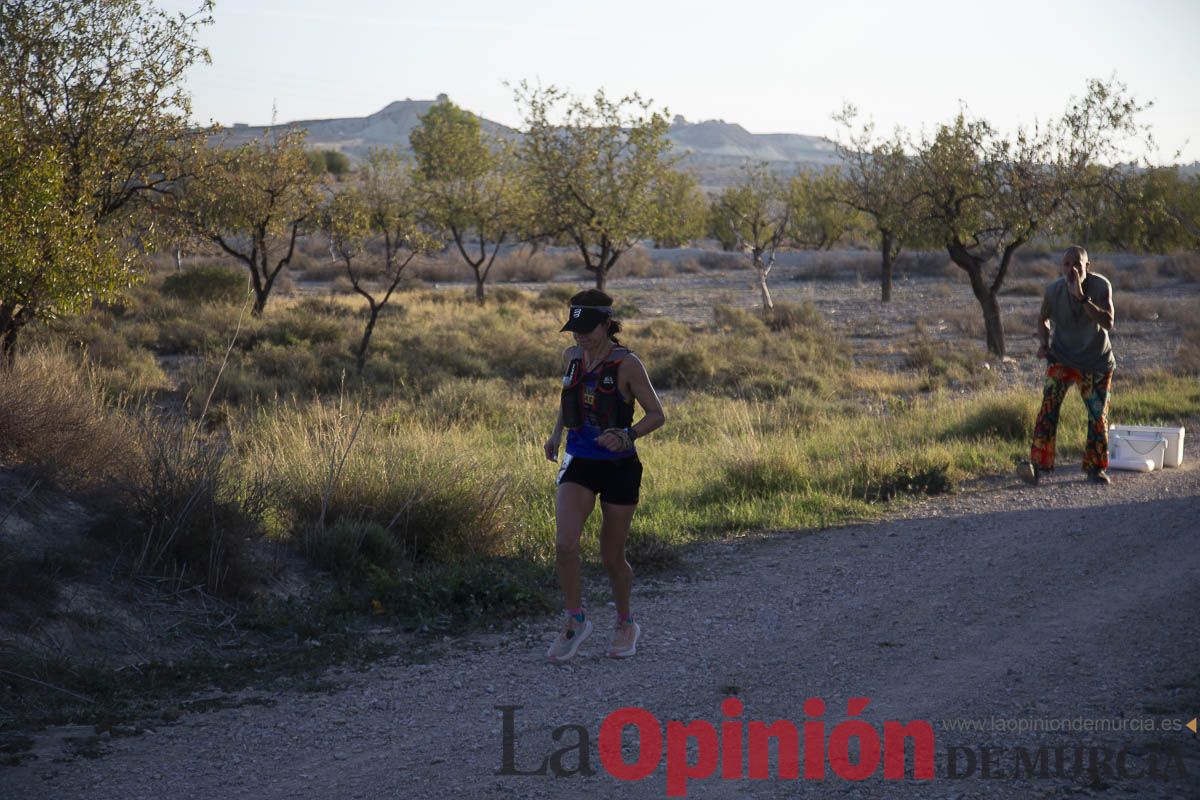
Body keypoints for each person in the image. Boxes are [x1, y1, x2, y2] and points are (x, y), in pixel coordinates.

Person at [542, 289, 665, 662]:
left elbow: (657, 414)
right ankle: (575, 620)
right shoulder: (571, 357)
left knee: (611, 556)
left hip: (619, 467)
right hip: (579, 460)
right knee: (565, 544)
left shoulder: (628, 364)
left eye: (587, 329)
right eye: (575, 329)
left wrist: (628, 435)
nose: (580, 336)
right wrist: (556, 433)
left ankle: (626, 622)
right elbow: (568, 398)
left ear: (607, 324)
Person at [1018, 246, 1116, 486]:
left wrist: (1082, 297)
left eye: (1077, 264)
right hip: (1062, 357)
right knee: (1048, 409)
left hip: (1096, 361)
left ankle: (1095, 468)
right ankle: (1037, 466)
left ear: (1087, 266)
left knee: (1097, 415)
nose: (1072, 269)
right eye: (1066, 264)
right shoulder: (1053, 290)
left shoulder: (1100, 286)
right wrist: (1044, 343)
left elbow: (1108, 322)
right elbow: (1042, 318)